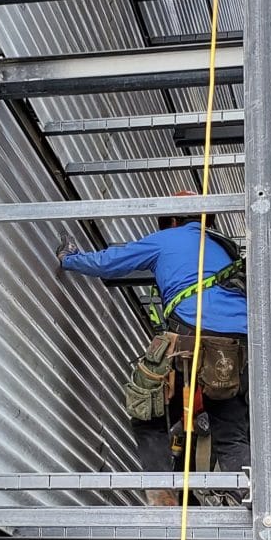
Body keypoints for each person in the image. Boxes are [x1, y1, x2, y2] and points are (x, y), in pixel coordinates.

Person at [58, 210, 248, 504]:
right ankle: (249, 493)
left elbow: (109, 264)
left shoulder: (166, 240)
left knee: (148, 412)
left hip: (191, 335)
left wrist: (70, 259)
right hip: (236, 345)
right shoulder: (223, 248)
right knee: (229, 426)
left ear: (172, 221)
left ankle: (161, 493)